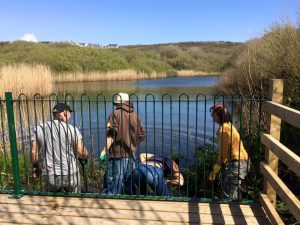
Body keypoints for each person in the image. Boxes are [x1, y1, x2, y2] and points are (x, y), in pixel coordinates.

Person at [31, 103, 88, 193]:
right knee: (75, 199)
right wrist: (85, 156)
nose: (70, 115)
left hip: (51, 175)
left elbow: (34, 152)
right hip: (71, 173)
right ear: (63, 114)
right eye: (69, 113)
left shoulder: (39, 128)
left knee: (53, 201)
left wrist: (35, 166)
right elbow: (81, 152)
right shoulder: (72, 129)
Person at [100, 93, 146, 194]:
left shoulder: (115, 114)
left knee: (113, 182)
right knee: (128, 182)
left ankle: (110, 202)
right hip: (131, 156)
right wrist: (132, 143)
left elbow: (111, 135)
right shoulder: (135, 116)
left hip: (117, 155)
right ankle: (129, 203)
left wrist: (103, 151)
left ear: (117, 103)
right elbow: (142, 135)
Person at [208, 104, 250, 200]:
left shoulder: (223, 130)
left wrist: (213, 173)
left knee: (227, 197)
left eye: (213, 113)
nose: (211, 115)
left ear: (218, 116)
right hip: (242, 162)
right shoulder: (229, 126)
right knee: (233, 195)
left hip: (237, 164)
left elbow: (223, 156)